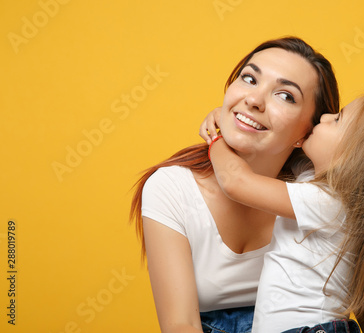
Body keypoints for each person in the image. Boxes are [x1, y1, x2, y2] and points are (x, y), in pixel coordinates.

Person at [130, 36, 341, 333]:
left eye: (285, 96)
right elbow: (180, 324)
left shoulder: (318, 191)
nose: (254, 100)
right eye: (249, 78)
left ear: (307, 132)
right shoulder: (171, 188)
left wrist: (218, 138)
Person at [204, 91, 364, 333]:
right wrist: (239, 123)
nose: (325, 116)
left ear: (356, 158)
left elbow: (236, 181)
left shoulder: (331, 203)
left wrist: (218, 137)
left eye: (338, 119)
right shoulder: (311, 177)